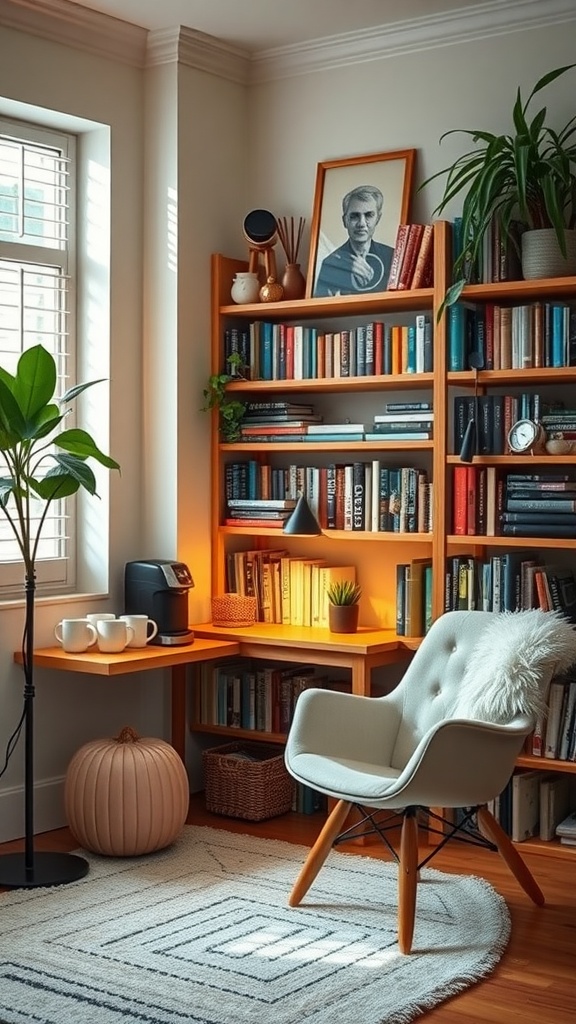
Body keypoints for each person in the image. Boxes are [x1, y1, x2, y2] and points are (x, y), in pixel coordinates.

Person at [313, 184, 394, 297]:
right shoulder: (331, 264)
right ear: (344, 221)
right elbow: (321, 307)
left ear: (378, 219)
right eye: (354, 216)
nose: (361, 223)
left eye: (369, 215)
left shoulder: (393, 257)